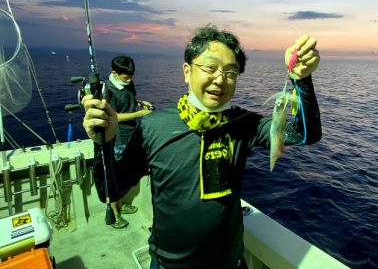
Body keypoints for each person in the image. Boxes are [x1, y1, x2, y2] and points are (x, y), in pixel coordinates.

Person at [83, 24, 321, 268]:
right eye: (209, 67)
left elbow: (305, 134)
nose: (220, 79)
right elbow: (110, 191)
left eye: (231, 72)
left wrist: (301, 80)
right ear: (187, 71)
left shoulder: (243, 124)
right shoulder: (153, 127)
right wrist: (103, 141)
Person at [104, 55, 154, 228]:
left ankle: (121, 205)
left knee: (125, 173)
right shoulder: (108, 90)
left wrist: (141, 103)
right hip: (117, 139)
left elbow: (129, 100)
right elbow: (114, 115)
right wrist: (140, 114)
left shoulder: (127, 83)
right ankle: (115, 213)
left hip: (131, 135)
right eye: (126, 77)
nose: (130, 80)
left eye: (131, 76)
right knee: (115, 176)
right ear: (114, 73)